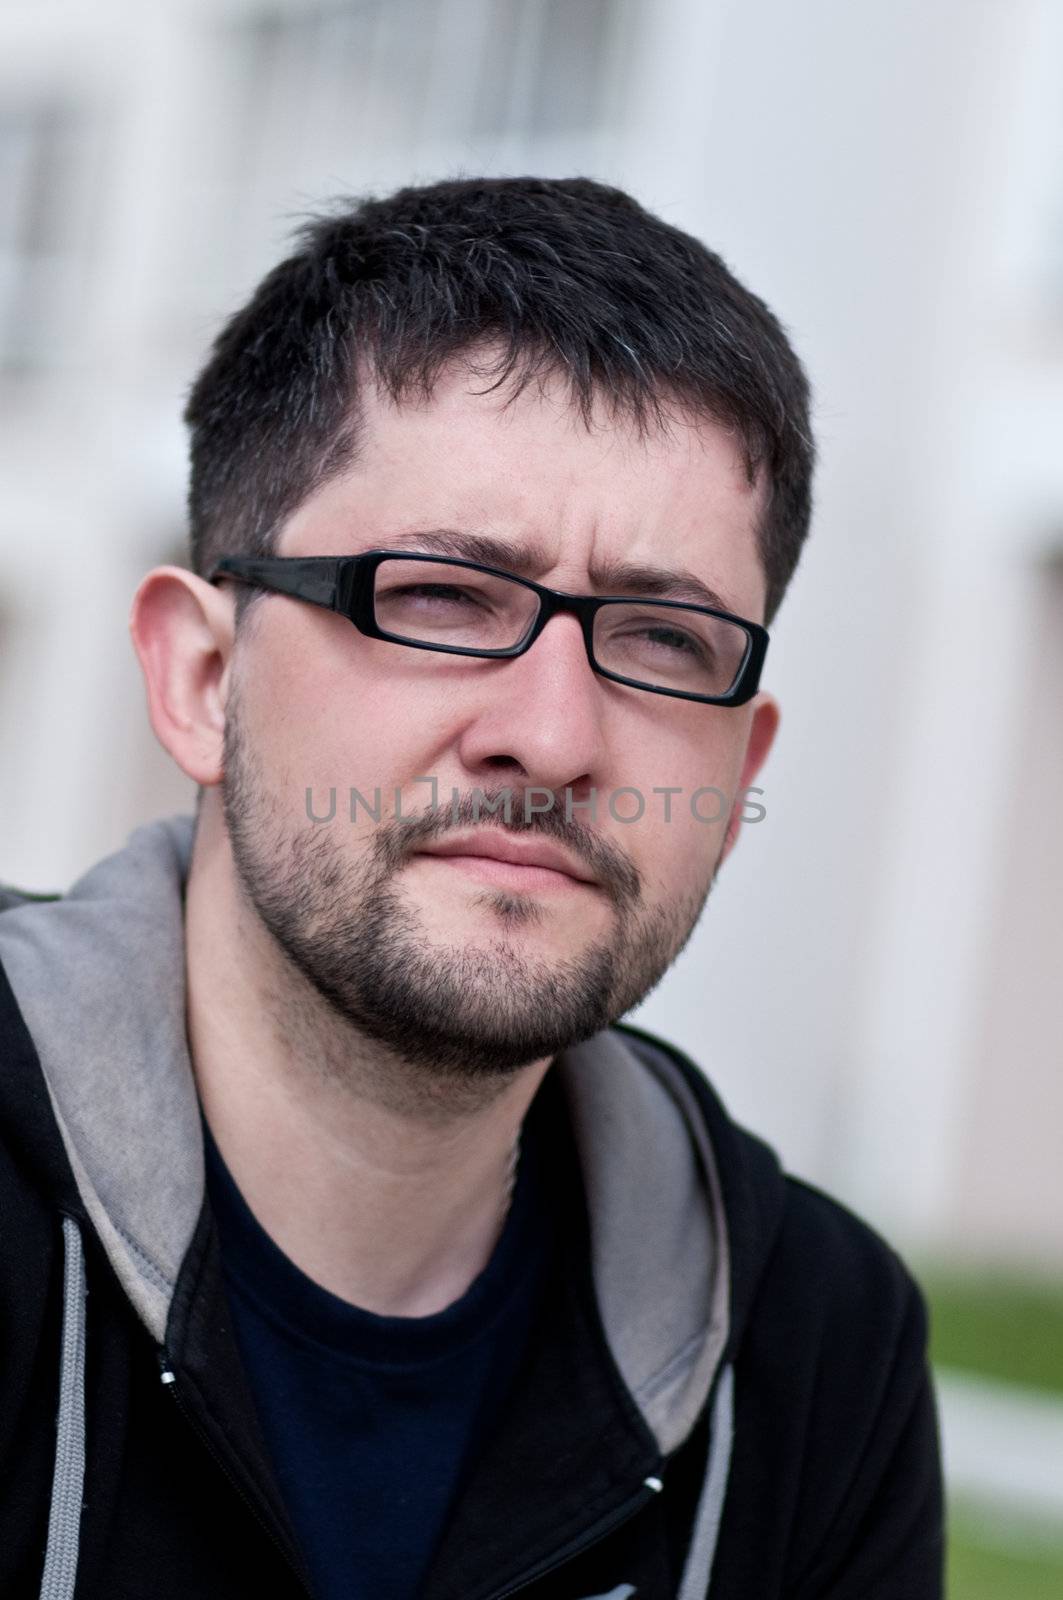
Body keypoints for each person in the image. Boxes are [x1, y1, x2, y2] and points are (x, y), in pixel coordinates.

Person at [0, 176, 943, 1600]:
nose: (553, 736)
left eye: (665, 640)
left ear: (738, 777)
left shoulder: (816, 1351)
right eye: (439, 599)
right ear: (203, 680)